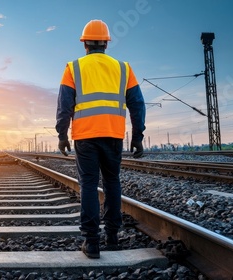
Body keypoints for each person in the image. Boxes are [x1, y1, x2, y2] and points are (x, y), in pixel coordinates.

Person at [55, 19, 146, 259]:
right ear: (106, 43)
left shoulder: (73, 67)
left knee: (88, 184)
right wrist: (137, 136)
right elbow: (137, 104)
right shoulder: (123, 68)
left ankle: (92, 242)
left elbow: (65, 105)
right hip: (114, 135)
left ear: (84, 43)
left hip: (85, 136)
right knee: (112, 183)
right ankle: (113, 238)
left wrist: (62, 134)